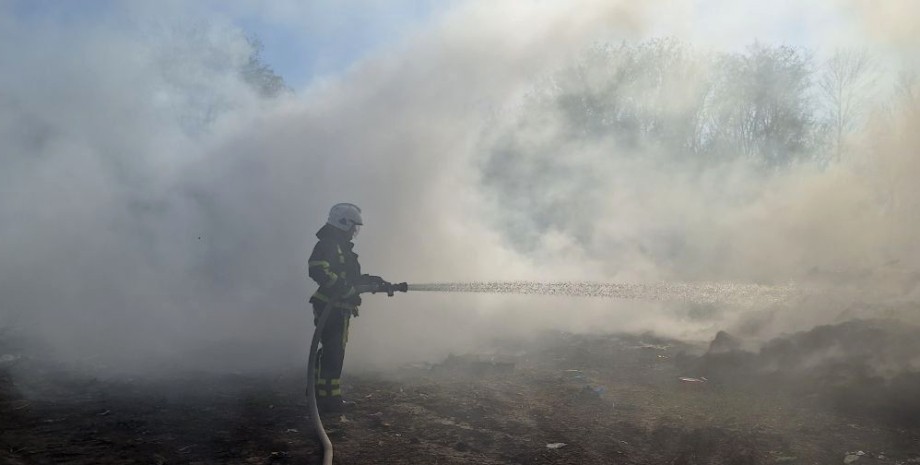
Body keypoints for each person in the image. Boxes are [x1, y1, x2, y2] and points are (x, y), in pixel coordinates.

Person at [307, 203, 387, 415]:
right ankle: (329, 401)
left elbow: (352, 280)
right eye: (353, 227)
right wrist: (343, 288)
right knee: (334, 353)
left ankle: (318, 394)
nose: (354, 231)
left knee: (331, 350)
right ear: (343, 223)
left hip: (338, 307)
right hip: (329, 305)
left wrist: (376, 282)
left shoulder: (343, 248)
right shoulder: (328, 244)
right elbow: (317, 269)